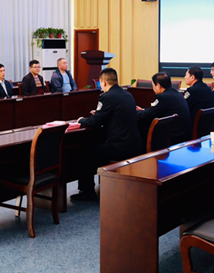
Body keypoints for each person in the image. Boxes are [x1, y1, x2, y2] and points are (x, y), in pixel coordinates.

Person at [71, 68, 141, 201]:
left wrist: (81, 120)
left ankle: (87, 192)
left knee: (85, 153)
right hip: (134, 144)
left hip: (119, 147)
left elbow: (95, 122)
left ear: (103, 83)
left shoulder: (106, 97)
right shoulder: (128, 95)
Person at [137, 72, 192, 145]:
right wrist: (143, 110)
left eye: (153, 85)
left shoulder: (162, 97)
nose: (153, 88)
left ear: (158, 86)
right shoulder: (176, 93)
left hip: (172, 137)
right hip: (184, 135)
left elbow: (146, 115)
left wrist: (132, 111)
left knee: (141, 129)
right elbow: (155, 110)